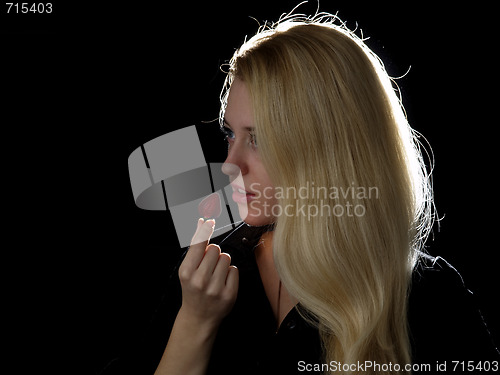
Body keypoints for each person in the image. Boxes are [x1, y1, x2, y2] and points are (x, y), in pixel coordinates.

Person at [101, 13, 499, 375]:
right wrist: (195, 323)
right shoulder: (206, 274)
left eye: (258, 139)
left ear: (329, 149)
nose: (230, 164)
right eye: (230, 135)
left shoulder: (429, 299)